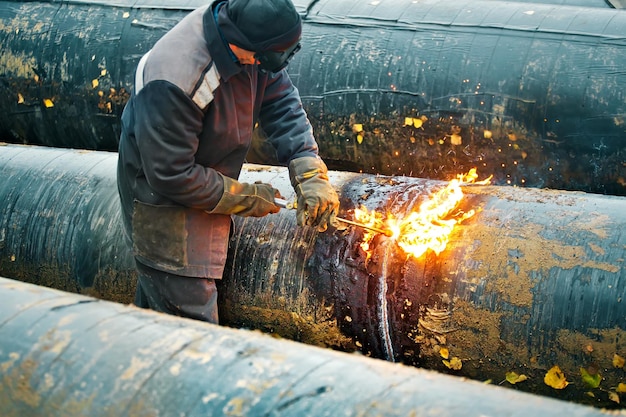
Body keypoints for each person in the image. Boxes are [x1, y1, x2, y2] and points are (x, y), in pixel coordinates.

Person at [116, 0, 339, 324]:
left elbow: (280, 102)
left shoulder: (251, 41)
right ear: (246, 47)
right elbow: (171, 173)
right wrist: (244, 197)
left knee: (157, 316)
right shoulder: (176, 77)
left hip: (204, 170)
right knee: (186, 315)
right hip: (160, 197)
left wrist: (307, 167)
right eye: (265, 59)